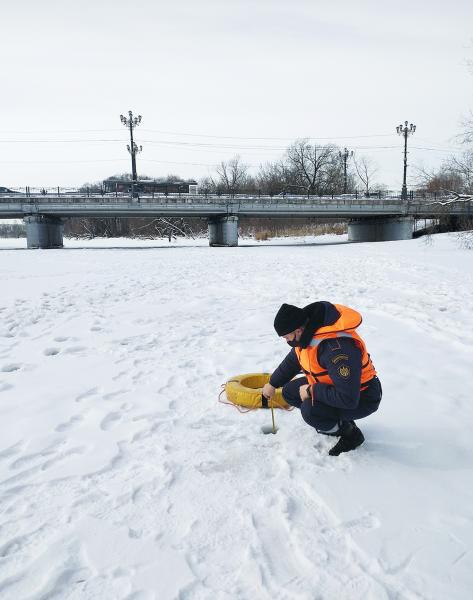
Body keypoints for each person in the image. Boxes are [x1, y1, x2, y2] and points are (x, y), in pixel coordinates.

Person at [262, 301, 382, 456]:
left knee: (311, 411)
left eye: (286, 337)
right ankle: (337, 419)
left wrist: (312, 390)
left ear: (298, 330)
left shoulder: (336, 350)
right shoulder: (307, 336)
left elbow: (348, 399)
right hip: (337, 386)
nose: (287, 341)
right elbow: (293, 361)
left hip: (363, 396)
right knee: (290, 392)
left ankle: (350, 434)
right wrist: (273, 383)